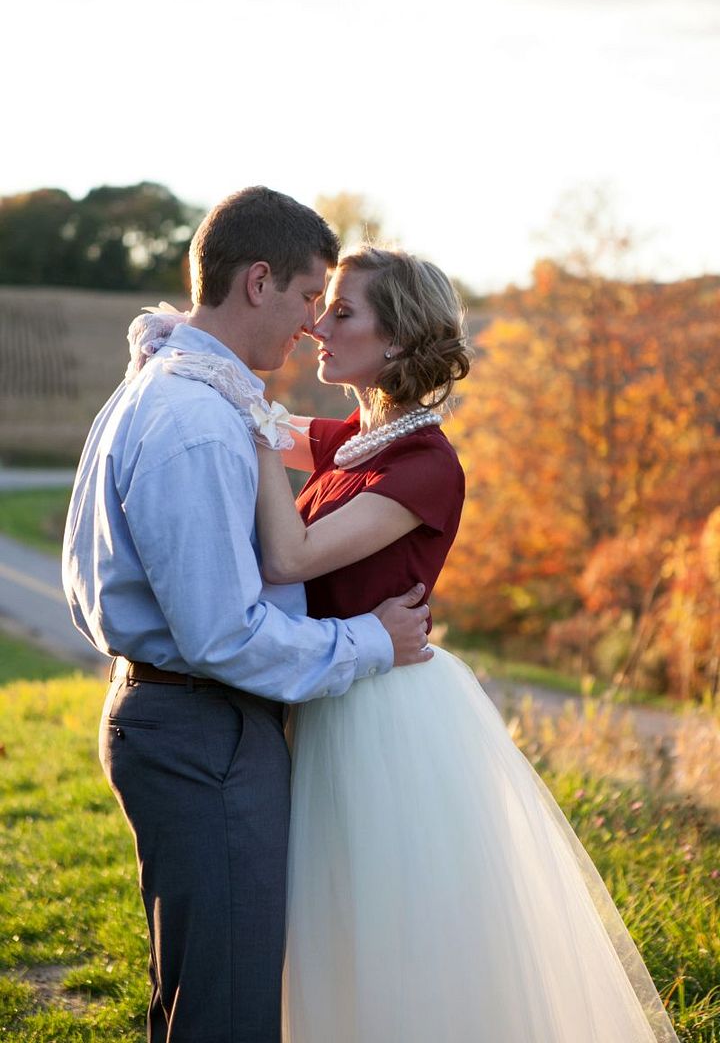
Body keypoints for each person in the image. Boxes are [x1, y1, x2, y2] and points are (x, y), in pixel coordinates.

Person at [246, 247, 680, 1042]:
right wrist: (204, 371)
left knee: (389, 921)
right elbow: (282, 433)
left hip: (382, 715)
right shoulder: (362, 439)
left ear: (402, 341)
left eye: (343, 312)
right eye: (323, 307)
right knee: (330, 918)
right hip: (333, 684)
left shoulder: (425, 466)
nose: (317, 325)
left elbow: (290, 558)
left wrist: (245, 431)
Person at [61, 189, 432, 1043]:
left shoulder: (174, 389)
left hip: (179, 718)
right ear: (257, 281)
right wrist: (371, 639)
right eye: (309, 298)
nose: (313, 324)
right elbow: (223, 634)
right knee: (226, 1010)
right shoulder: (193, 418)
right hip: (205, 733)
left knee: (198, 991)